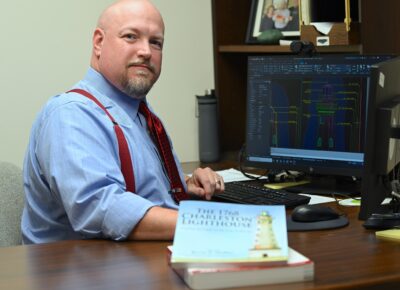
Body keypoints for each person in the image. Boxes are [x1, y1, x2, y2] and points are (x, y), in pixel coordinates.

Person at [21, 0, 225, 244]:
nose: (146, 51)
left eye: (156, 42)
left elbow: (139, 189)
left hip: (136, 259)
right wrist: (216, 222)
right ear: (99, 42)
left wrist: (185, 185)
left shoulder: (139, 114)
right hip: (81, 274)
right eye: (131, 36)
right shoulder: (71, 114)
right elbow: (102, 208)